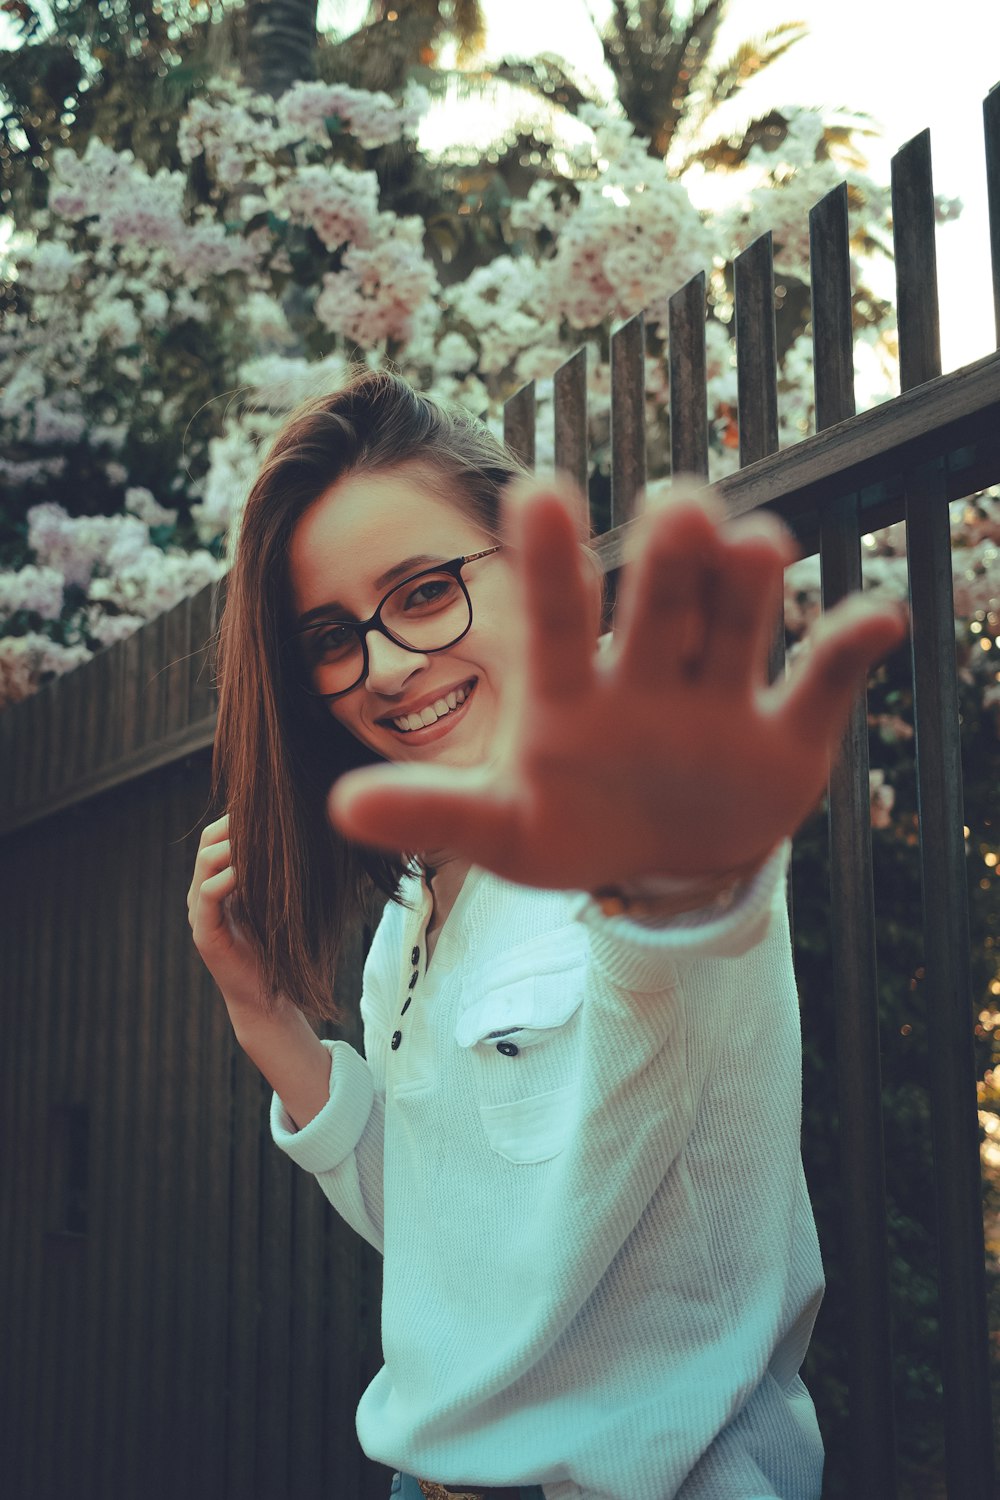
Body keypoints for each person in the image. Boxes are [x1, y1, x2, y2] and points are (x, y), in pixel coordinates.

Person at [187, 368, 906, 1500]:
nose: (382, 664)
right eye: (331, 634)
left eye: (424, 591)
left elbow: (668, 923)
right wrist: (261, 1013)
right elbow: (453, 1238)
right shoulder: (414, 911)